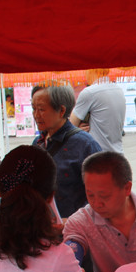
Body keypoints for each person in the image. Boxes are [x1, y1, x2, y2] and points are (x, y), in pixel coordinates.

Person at [63, 151, 136, 272]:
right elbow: (72, 247)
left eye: (104, 196)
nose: (97, 203)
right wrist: (70, 266)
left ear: (127, 188)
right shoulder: (82, 221)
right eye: (90, 195)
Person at [32, 85, 101, 219]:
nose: (36, 115)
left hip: (75, 226)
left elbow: (101, 192)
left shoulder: (85, 144)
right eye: (34, 109)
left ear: (62, 110)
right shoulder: (37, 143)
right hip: (43, 224)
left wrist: (73, 221)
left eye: (41, 109)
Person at [70, 80, 126, 153]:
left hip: (97, 154)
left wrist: (78, 132)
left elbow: (70, 127)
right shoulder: (118, 90)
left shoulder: (90, 92)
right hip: (117, 153)